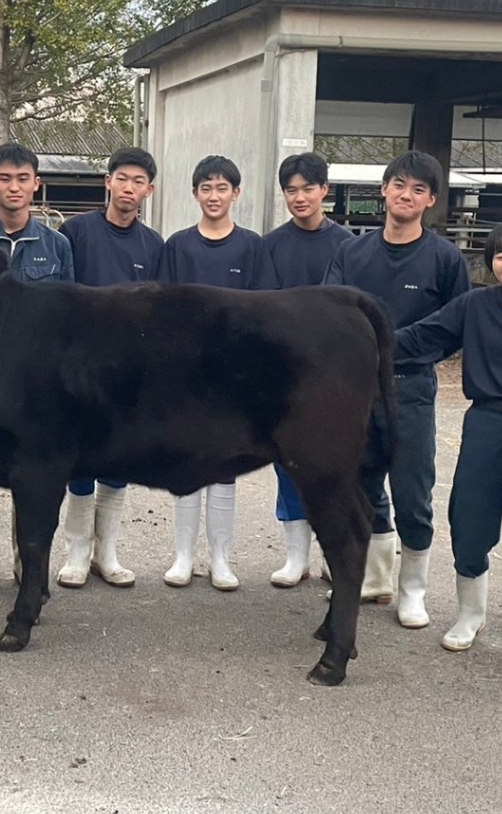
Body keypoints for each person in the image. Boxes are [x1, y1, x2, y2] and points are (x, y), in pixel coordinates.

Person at [394, 221, 502, 676]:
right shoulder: (475, 305)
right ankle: (470, 616)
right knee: (468, 522)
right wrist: (359, 339)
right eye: (501, 256)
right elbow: (422, 337)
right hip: (485, 424)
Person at [324, 150, 471, 627]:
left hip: (411, 387)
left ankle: (413, 591)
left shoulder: (445, 258)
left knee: (413, 492)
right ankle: (372, 578)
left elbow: (456, 324)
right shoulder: (351, 252)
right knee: (358, 485)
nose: (406, 195)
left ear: (431, 200)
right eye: (399, 185)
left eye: (418, 189)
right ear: (384, 190)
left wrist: (399, 348)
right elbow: (330, 310)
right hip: (354, 388)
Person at [0, 142, 75, 597]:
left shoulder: (56, 245)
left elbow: (67, 315)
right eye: (5, 179)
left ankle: (29, 566)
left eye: (23, 179)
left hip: (39, 385)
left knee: (35, 472)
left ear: (36, 184)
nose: (14, 187)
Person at [159, 155, 278, 590]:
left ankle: (221, 559)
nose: (214, 195)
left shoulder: (252, 247)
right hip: (186, 376)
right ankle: (183, 557)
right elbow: (162, 309)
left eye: (222, 188)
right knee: (187, 460)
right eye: (206, 188)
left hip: (234, 376)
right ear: (195, 194)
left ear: (236, 194)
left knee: (225, 464)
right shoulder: (177, 246)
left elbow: (263, 309)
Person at [54, 147, 165, 588]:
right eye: (122, 178)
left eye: (138, 181)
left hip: (128, 373)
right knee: (80, 462)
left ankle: (108, 553)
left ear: (149, 190)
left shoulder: (153, 245)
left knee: (119, 462)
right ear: (108, 182)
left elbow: (158, 312)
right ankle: (77, 553)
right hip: (79, 370)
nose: (129, 188)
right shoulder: (75, 232)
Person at [262, 151, 353, 588]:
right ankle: (295, 557)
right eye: (291, 190)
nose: (299, 197)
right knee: (288, 460)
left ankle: (334, 554)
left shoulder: (349, 245)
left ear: (324, 191)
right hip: (285, 371)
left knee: (338, 462)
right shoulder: (270, 245)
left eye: (308, 189)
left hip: (335, 373)